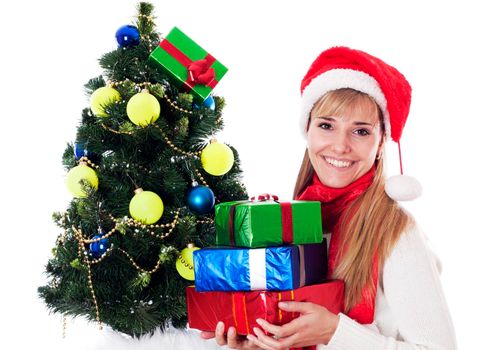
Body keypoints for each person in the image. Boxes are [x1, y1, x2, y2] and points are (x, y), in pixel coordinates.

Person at [200, 46, 457, 349]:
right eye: (326, 125)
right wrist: (261, 341)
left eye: (360, 131)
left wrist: (336, 332)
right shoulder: (295, 223)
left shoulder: (396, 230)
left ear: (380, 145)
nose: (340, 146)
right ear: (307, 130)